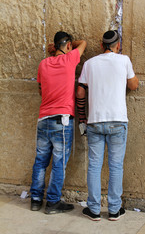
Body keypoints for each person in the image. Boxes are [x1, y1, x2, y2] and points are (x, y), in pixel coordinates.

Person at [76, 30, 139, 221]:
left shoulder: (89, 64)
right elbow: (134, 85)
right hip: (117, 121)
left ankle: (94, 209)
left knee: (94, 166)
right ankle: (114, 210)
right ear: (117, 45)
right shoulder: (124, 60)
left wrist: (82, 118)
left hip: (95, 120)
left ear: (102, 45)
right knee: (116, 166)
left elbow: (80, 93)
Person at [30, 31, 87, 214]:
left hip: (43, 119)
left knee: (40, 161)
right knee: (58, 163)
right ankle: (53, 202)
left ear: (54, 46)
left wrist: (54, 48)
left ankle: (36, 199)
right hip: (62, 121)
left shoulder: (43, 64)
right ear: (69, 45)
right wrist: (65, 45)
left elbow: (41, 91)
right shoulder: (70, 59)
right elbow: (83, 43)